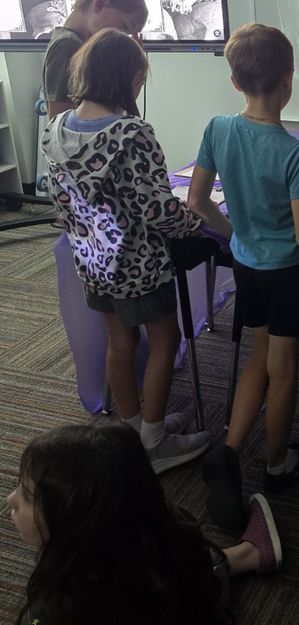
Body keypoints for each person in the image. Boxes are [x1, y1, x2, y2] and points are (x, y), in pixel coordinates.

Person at [188, 23, 299, 531]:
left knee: (257, 358)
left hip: (246, 264)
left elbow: (196, 202)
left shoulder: (217, 128)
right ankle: (278, 465)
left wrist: (234, 231)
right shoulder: (295, 153)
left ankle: (231, 451)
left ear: (235, 82)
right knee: (284, 370)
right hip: (288, 274)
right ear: (289, 80)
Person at [2, 423, 282, 625]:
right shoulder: (174, 536)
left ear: (70, 525)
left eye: (27, 495)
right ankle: (246, 555)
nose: (10, 499)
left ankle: (245, 556)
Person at [40, 30, 210, 473]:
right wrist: (198, 222)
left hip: (93, 260)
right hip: (139, 266)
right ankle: (155, 442)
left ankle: (135, 429)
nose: (140, 88)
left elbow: (60, 201)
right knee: (165, 339)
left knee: (120, 341)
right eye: (139, 79)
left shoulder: (56, 128)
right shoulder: (130, 133)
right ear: (126, 78)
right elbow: (158, 211)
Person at [43, 0, 148, 120]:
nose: (123, 38)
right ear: (100, 3)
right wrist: (131, 90)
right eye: (124, 28)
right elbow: (59, 125)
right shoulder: (67, 45)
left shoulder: (81, 47)